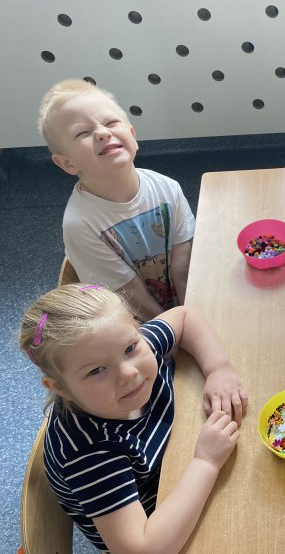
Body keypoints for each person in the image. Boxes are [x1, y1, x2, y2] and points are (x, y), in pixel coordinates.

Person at [20, 283, 248, 553]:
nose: (128, 372)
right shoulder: (90, 452)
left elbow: (186, 317)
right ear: (60, 388)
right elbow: (142, 549)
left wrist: (219, 369)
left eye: (130, 348)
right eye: (96, 371)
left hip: (177, 460)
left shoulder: (122, 346)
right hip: (160, 524)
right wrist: (205, 462)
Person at [38, 79, 195, 319]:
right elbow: (130, 295)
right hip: (134, 325)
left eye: (111, 123)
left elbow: (182, 266)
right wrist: (175, 330)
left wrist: (192, 319)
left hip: (186, 307)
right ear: (67, 163)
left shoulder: (167, 188)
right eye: (83, 132)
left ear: (132, 134)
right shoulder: (80, 224)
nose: (103, 133)